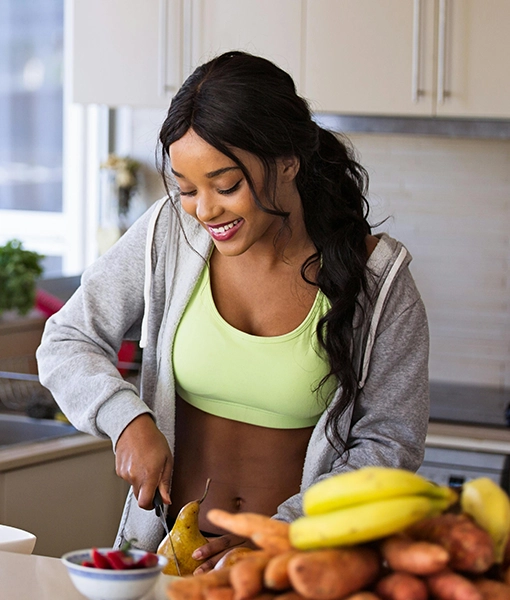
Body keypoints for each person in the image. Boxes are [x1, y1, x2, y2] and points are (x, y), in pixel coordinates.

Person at [36, 51, 429, 572]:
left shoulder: (378, 279)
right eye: (186, 189)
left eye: (226, 186)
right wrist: (127, 418)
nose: (205, 211)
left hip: (294, 568)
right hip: (166, 563)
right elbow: (66, 339)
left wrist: (279, 536)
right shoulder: (169, 234)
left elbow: (389, 445)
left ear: (288, 161)